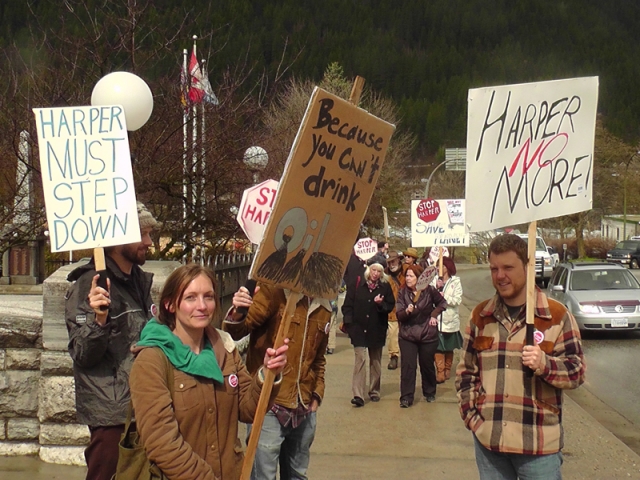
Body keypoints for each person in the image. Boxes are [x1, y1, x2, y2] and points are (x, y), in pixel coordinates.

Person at [129, 264, 288, 479]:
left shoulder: (224, 347)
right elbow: (161, 441)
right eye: (190, 298)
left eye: (209, 296)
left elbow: (249, 409)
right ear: (169, 305)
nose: (202, 306)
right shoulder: (152, 360)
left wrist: (267, 374)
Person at [456, 234, 585, 480]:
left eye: (508, 267)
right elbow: (466, 373)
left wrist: (544, 364)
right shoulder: (481, 316)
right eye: (494, 268)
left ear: (526, 268)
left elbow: (577, 372)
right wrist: (473, 418)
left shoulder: (555, 316)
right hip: (490, 443)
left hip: (538, 447)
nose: (500, 275)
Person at [65, 202, 159, 480]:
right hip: (112, 415)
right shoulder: (89, 284)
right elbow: (82, 353)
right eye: (142, 233)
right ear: (118, 238)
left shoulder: (138, 282)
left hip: (142, 405)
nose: (149, 242)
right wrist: (99, 320)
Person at [224, 282, 333, 480]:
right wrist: (238, 311)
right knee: (263, 475)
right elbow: (237, 330)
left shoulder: (324, 306)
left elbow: (318, 358)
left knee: (298, 475)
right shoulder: (273, 291)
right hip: (270, 406)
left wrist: (316, 395)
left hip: (304, 407)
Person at [341, 263, 395, 406]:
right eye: (373, 270)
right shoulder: (357, 284)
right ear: (368, 270)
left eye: (379, 271)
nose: (375, 273)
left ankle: (374, 390)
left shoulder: (385, 287)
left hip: (376, 329)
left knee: (375, 361)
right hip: (358, 329)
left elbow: (390, 306)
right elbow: (347, 306)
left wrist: (380, 304)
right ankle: (358, 395)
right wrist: (349, 324)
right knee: (360, 359)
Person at [395, 264, 447, 407]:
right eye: (407, 275)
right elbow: (399, 314)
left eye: (411, 276)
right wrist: (407, 312)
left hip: (427, 334)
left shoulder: (429, 291)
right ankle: (406, 397)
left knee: (426, 364)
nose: (408, 278)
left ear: (419, 278)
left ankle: (429, 392)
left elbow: (442, 303)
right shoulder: (402, 293)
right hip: (408, 335)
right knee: (408, 366)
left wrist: (434, 315)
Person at [434, 256, 463, 383]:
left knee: (448, 347)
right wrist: (436, 288)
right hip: (436, 319)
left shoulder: (455, 282)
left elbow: (457, 300)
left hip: (450, 319)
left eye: (441, 266)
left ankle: (447, 370)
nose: (438, 268)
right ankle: (439, 372)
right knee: (437, 347)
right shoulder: (434, 280)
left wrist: (444, 296)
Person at [384, 251, 405, 370]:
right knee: (392, 335)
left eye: (393, 261)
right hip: (392, 310)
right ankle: (394, 356)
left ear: (398, 260)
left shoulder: (406, 272)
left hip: (406, 309)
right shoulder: (385, 275)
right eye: (390, 262)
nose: (392, 264)